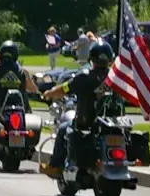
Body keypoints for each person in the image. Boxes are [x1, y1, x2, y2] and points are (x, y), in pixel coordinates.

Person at [41, 42, 114, 179]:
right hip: (110, 124)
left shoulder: (85, 76)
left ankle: (55, 166)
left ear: (92, 58)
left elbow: (64, 89)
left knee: (63, 128)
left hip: (87, 123)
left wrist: (49, 93)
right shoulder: (115, 78)